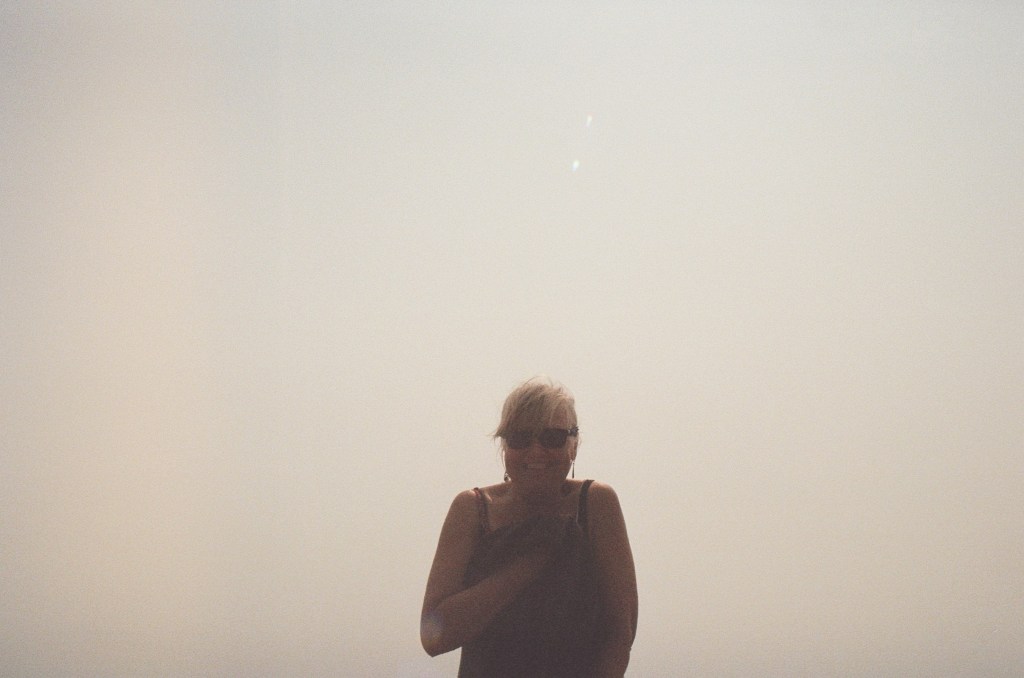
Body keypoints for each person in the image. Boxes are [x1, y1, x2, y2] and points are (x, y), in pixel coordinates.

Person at [420, 378, 638, 677]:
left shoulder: (595, 504)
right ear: (504, 446)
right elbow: (433, 636)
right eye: (520, 438)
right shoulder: (473, 509)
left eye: (552, 438)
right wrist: (529, 565)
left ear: (574, 445)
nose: (536, 451)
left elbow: (620, 633)